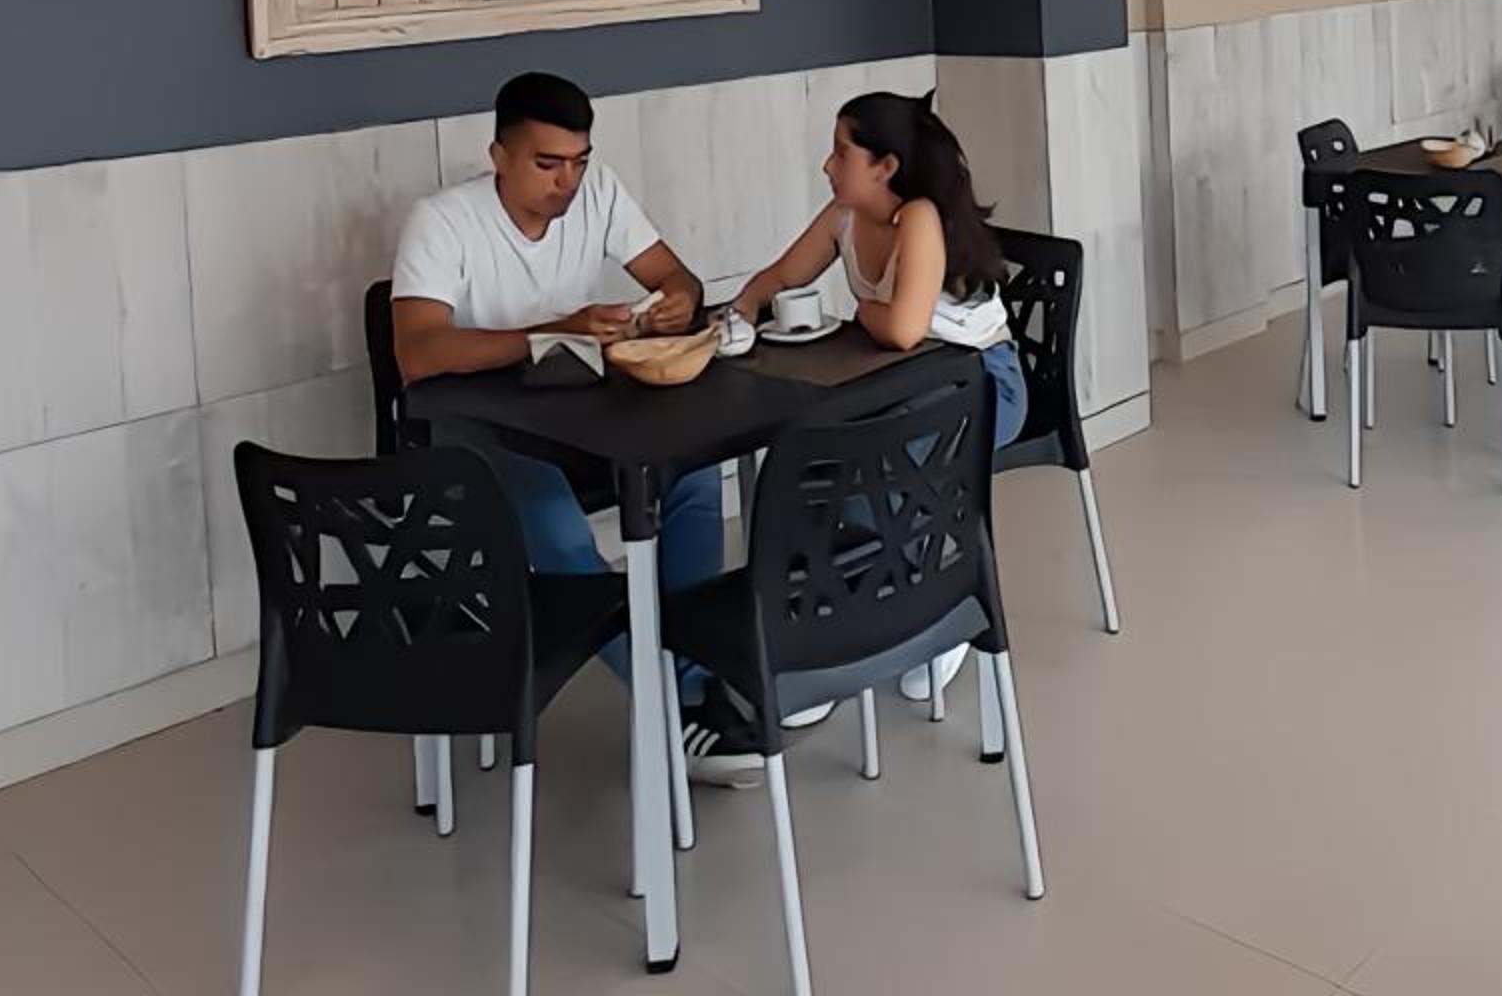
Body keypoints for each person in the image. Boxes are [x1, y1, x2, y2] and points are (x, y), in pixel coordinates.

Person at [388, 70, 763, 783]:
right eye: (547, 164)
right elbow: (418, 353)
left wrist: (673, 302)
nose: (567, 182)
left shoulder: (598, 193)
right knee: (558, 531)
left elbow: (679, 279)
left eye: (579, 162)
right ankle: (682, 698)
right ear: (499, 156)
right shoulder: (442, 221)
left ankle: (689, 674)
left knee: (689, 475)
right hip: (475, 432)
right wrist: (552, 330)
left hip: (579, 415)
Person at [730, 91, 1028, 701]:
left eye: (841, 152)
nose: (827, 165)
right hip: (904, 383)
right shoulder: (842, 216)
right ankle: (812, 646)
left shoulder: (918, 217)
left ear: (885, 166)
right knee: (806, 471)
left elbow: (902, 329)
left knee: (875, 474)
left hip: (980, 385)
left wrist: (866, 310)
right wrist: (738, 314)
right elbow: (781, 277)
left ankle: (937, 612)